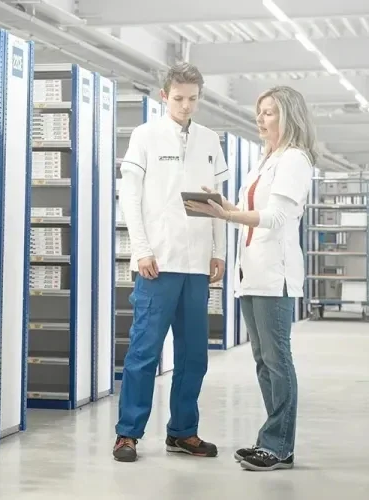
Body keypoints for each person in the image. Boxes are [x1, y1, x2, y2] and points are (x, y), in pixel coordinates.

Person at [185, 86, 316, 472]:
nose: (261, 119)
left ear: (288, 117)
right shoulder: (265, 160)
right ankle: (271, 442)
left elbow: (275, 218)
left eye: (270, 113)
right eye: (259, 112)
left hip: (274, 273)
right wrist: (225, 206)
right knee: (262, 361)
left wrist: (226, 217)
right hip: (251, 272)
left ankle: (278, 446)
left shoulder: (294, 160)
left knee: (277, 360)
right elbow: (254, 211)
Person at [112, 63, 227, 463]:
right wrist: (140, 249)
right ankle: (128, 433)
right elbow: (130, 198)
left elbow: (216, 203)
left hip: (196, 265)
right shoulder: (144, 136)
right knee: (144, 351)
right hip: (157, 263)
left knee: (194, 354)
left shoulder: (210, 139)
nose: (185, 105)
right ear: (165, 95)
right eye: (178, 98)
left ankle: (183, 432)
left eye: (193, 99)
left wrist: (219, 251)